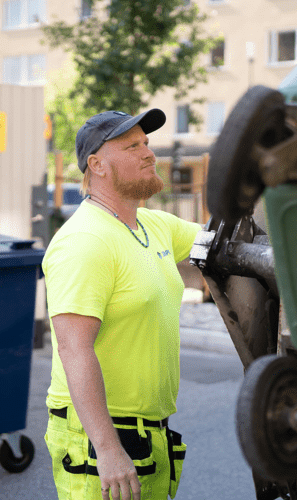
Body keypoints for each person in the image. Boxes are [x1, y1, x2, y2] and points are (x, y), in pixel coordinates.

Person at [41, 109, 202, 500]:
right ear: (96, 165)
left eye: (147, 143)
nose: (148, 153)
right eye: (132, 146)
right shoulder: (84, 241)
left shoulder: (154, 225)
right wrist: (109, 449)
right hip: (99, 435)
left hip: (151, 431)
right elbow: (73, 349)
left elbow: (226, 244)